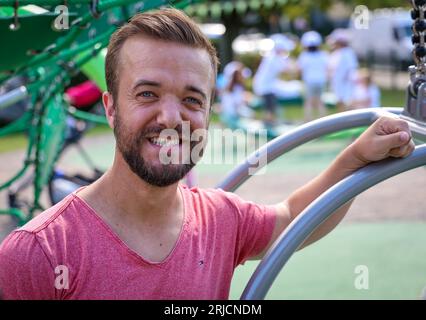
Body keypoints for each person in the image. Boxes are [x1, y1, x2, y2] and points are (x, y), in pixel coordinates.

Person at [0, 8, 415, 300]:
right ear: (110, 107)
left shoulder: (219, 220)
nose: (171, 116)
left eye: (192, 99)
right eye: (147, 94)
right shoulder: (39, 255)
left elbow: (293, 218)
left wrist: (355, 159)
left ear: (208, 113)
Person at [253, 34, 294, 126]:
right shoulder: (273, 58)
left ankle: (270, 123)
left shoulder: (273, 57)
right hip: (265, 87)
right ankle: (268, 125)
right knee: (269, 108)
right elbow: (286, 70)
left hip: (267, 86)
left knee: (270, 107)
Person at [297, 31, 329, 122]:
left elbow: (299, 69)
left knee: (309, 101)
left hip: (309, 81)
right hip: (321, 80)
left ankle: (307, 121)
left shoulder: (304, 56)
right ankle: (324, 121)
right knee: (319, 101)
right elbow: (327, 67)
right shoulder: (323, 55)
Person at [327, 29, 359, 112]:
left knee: (348, 102)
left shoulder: (347, 53)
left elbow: (350, 68)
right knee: (340, 101)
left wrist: (346, 78)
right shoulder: (337, 53)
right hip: (339, 82)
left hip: (346, 82)